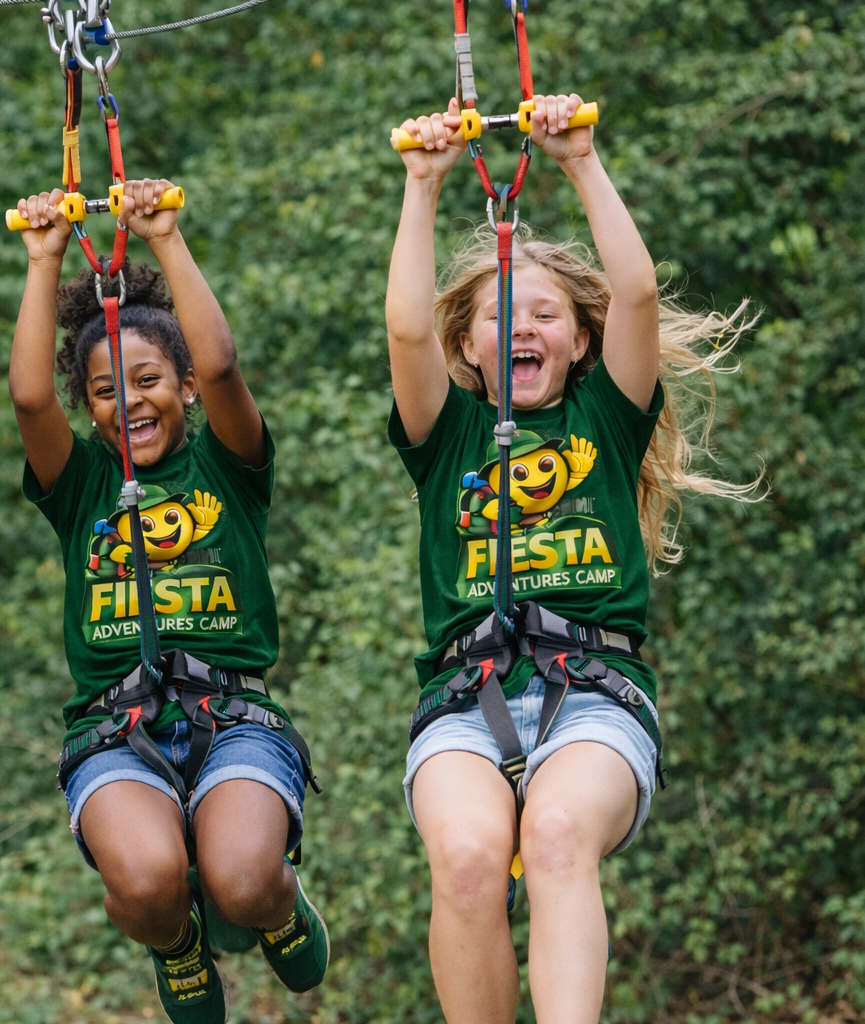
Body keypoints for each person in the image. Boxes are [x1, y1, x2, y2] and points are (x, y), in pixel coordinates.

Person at [386, 95, 759, 1022]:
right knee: (467, 858)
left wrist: (581, 161)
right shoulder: (448, 434)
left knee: (554, 833)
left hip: (594, 695)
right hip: (465, 699)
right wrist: (422, 186)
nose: (523, 328)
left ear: (580, 339)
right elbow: (404, 331)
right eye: (500, 316)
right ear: (467, 345)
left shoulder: (605, 418)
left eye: (546, 314)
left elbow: (637, 293)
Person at [10, 178, 329, 1024]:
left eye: (148, 379)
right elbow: (30, 398)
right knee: (149, 883)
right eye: (105, 391)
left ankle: (276, 907)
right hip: (116, 729)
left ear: (183, 386)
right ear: (90, 408)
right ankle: (178, 941)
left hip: (234, 718)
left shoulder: (228, 464)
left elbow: (222, 363)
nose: (129, 401)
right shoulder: (82, 485)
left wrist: (165, 238)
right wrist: (43, 261)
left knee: (243, 879)